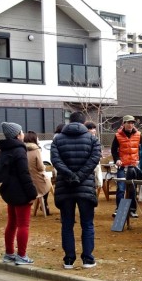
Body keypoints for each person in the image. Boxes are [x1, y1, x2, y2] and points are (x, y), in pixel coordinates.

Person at [51, 111, 102, 269]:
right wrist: (79, 176)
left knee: (67, 224)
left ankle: (68, 259)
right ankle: (87, 259)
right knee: (87, 224)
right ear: (84, 122)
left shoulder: (57, 139)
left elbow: (55, 160)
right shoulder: (93, 139)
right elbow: (94, 159)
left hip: (64, 187)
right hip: (85, 186)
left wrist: (69, 175)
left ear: (69, 121)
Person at [0, 122, 38, 265]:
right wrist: (32, 193)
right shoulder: (19, 150)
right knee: (23, 225)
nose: (23, 133)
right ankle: (22, 255)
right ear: (18, 135)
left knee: (11, 224)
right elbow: (24, 174)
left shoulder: (4, 150)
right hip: (21, 193)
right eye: (21, 131)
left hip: (9, 192)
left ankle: (9, 253)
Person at [111, 115, 142, 217]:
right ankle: (118, 209)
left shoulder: (138, 135)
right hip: (122, 166)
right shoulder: (118, 135)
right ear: (123, 123)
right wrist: (117, 160)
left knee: (132, 188)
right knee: (121, 188)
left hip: (133, 166)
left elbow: (141, 149)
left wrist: (139, 160)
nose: (131, 125)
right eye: (128, 123)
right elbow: (114, 150)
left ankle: (132, 210)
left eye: (132, 123)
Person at [24, 130, 52, 214]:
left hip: (27, 179)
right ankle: (45, 205)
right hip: (37, 179)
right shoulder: (36, 150)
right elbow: (40, 167)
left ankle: (43, 205)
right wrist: (44, 167)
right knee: (47, 185)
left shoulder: (22, 150)